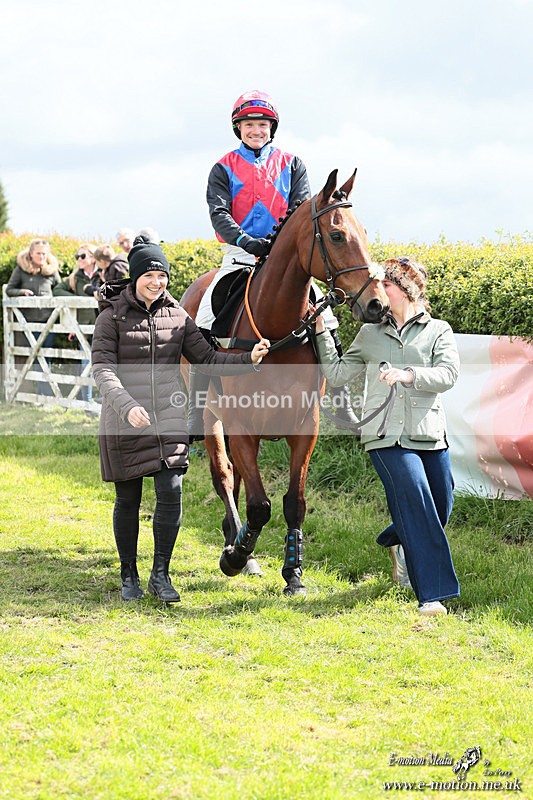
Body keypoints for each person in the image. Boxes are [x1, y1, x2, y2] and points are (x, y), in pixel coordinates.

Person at [91, 235, 269, 603]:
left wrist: (247, 359)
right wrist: (126, 406)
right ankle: (129, 575)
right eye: (149, 275)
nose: (157, 282)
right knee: (128, 499)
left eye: (163, 275)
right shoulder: (111, 317)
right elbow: (103, 370)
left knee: (170, 493)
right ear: (136, 277)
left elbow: (208, 358)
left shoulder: (178, 315)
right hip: (125, 420)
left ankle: (161, 575)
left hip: (168, 417)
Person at [190, 88, 358, 439]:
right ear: (239, 128)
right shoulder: (222, 167)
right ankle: (194, 409)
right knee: (205, 314)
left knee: (326, 317)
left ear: (272, 128)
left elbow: (301, 209)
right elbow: (218, 213)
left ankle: (340, 401)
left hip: (285, 258)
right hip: (241, 254)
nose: (256, 130)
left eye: (262, 124)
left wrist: (279, 248)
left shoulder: (293, 164)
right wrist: (247, 241)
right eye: (249, 124)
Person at [315, 257, 460, 616]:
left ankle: (396, 539)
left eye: (388, 286)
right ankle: (432, 595)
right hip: (383, 436)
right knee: (416, 502)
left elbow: (448, 374)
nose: (380, 292)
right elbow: (335, 374)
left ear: (407, 291)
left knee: (441, 504)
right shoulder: (369, 334)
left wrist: (409, 375)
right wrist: (320, 331)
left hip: (428, 433)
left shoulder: (438, 330)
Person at [5, 238, 61, 396]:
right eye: (38, 253)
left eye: (44, 253)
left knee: (47, 356)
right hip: (29, 323)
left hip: (49, 322)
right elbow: (10, 289)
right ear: (31, 253)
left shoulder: (51, 271)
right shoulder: (21, 270)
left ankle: (47, 394)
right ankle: (44, 394)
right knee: (37, 358)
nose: (42, 256)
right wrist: (22, 292)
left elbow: (60, 289)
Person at [53, 243, 99, 402]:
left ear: (93, 258)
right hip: (83, 327)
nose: (79, 259)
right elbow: (57, 290)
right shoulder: (75, 277)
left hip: (102, 326)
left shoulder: (103, 274)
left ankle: (101, 399)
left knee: (103, 365)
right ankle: (86, 401)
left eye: (83, 256)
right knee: (86, 364)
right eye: (77, 256)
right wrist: (81, 299)